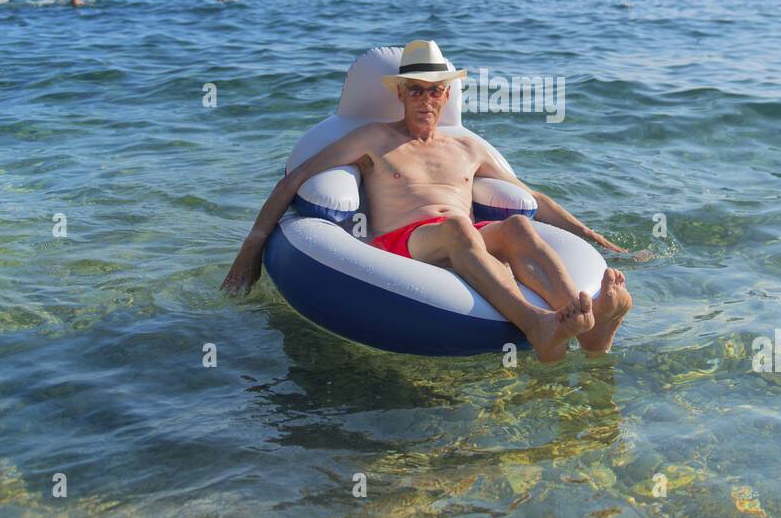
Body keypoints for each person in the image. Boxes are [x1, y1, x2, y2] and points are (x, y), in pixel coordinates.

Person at [222, 40, 632, 362]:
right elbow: (293, 180)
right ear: (400, 93)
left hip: (465, 237)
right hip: (402, 241)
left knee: (517, 227)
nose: (425, 100)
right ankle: (536, 326)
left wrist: (589, 235)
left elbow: (533, 197)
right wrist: (251, 249)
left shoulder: (467, 147)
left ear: (446, 95)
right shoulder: (374, 139)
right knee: (457, 228)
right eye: (415, 91)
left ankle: (585, 321)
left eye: (434, 92)